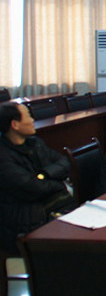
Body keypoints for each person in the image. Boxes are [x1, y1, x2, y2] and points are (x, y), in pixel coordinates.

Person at [0, 103, 74, 253]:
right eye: (28, 116)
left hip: (44, 206)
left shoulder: (35, 143)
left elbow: (65, 162)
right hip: (21, 221)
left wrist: (45, 174)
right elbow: (32, 187)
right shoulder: (3, 156)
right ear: (15, 124)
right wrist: (59, 185)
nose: (33, 120)